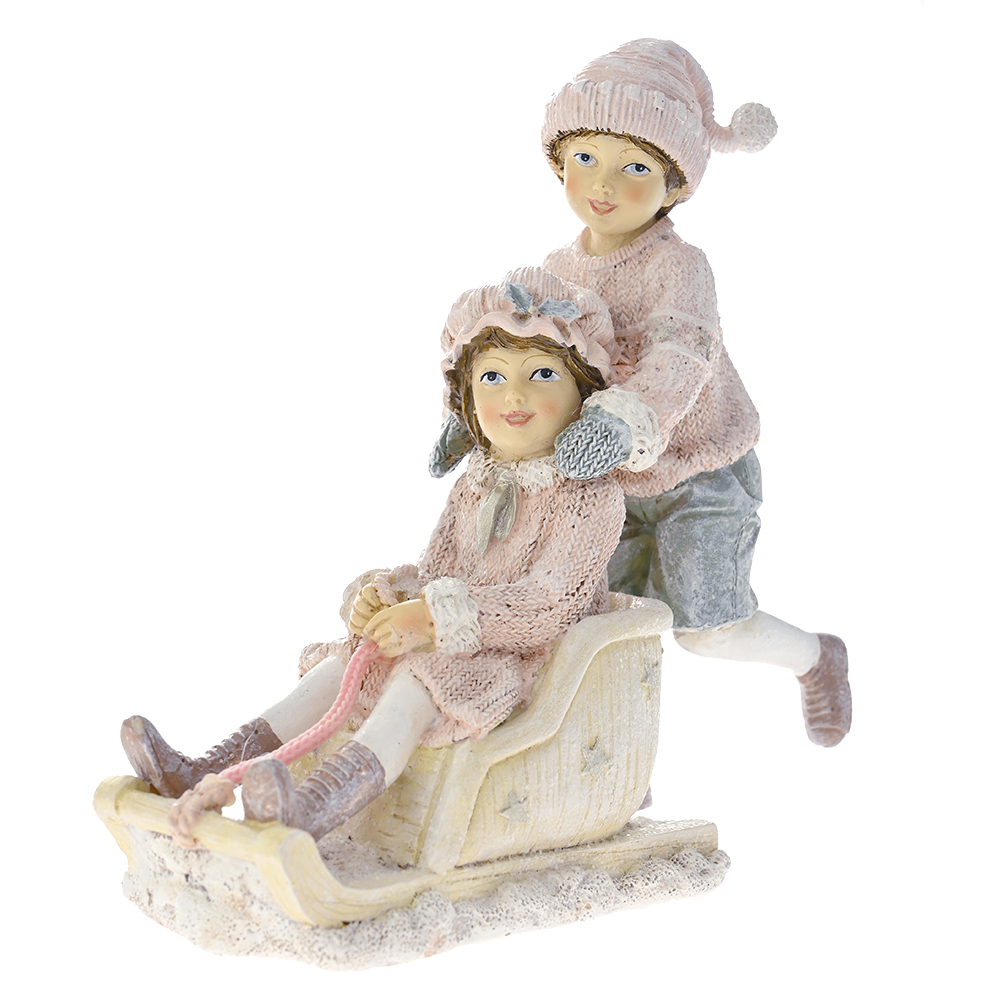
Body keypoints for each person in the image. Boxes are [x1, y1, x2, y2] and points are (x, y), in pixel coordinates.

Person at [431, 39, 850, 748]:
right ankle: (606, 761)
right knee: (593, 620)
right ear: (559, 162)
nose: (605, 183)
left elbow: (682, 356)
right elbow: (519, 348)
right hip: (596, 481)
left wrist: (622, 424)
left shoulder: (678, 267)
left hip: (697, 469)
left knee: (708, 627)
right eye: (585, 158)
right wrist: (472, 416)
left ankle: (815, 656)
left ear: (674, 185)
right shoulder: (555, 269)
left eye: (635, 168)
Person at [121, 267, 627, 842]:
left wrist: (433, 619)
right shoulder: (477, 482)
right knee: (344, 665)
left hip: (522, 661)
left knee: (416, 682)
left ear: (584, 396)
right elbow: (437, 571)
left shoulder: (589, 498)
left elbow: (548, 604)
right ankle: (206, 769)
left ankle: (311, 808)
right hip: (456, 641)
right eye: (491, 376)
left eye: (542, 374)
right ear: (465, 396)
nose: (514, 395)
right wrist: (389, 599)